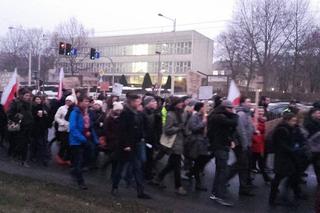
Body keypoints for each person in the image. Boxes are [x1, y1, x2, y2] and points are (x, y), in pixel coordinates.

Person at [111, 94, 151, 199]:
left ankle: (140, 191)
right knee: (120, 167)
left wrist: (142, 136)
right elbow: (122, 131)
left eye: (139, 101)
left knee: (137, 168)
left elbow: (143, 126)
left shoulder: (138, 113)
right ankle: (115, 186)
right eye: (137, 101)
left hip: (136, 144)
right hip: (126, 146)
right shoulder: (125, 114)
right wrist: (126, 145)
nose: (139, 103)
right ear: (132, 102)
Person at [154, 97, 187, 196]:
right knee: (177, 166)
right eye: (180, 102)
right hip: (173, 143)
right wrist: (178, 128)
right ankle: (178, 186)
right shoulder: (171, 115)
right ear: (175, 104)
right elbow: (167, 130)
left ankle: (158, 177)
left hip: (179, 142)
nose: (182, 104)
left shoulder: (181, 114)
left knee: (172, 164)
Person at [208, 100, 238, 207]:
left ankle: (215, 192)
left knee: (220, 171)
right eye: (230, 108)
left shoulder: (219, 115)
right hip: (219, 146)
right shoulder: (218, 117)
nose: (232, 110)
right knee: (221, 171)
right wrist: (234, 115)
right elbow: (234, 122)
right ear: (225, 108)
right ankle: (218, 194)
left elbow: (230, 129)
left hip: (222, 145)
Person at [269, 113, 304, 205]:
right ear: (287, 120)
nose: (294, 122)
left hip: (287, 157)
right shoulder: (282, 129)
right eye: (293, 120)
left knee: (291, 175)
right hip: (283, 157)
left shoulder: (289, 128)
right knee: (279, 177)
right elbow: (282, 144)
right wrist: (293, 150)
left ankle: (284, 196)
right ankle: (273, 199)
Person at [69, 95, 98, 190]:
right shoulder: (75, 112)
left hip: (86, 139)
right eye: (85, 101)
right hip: (77, 141)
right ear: (80, 102)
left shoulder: (88, 113)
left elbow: (90, 126)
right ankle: (80, 182)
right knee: (79, 160)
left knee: (87, 158)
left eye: (88, 101)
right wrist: (82, 138)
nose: (87, 103)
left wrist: (95, 139)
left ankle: (75, 171)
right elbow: (73, 128)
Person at [228, 96, 255, 196]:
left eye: (250, 101)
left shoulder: (247, 114)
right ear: (242, 103)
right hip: (241, 144)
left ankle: (243, 185)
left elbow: (249, 128)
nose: (250, 103)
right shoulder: (241, 114)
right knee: (241, 165)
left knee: (242, 164)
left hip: (246, 143)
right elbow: (241, 131)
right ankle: (241, 186)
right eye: (248, 101)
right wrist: (245, 145)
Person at [7, 88, 34, 167]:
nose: (28, 97)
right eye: (26, 95)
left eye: (29, 95)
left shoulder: (30, 103)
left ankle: (23, 160)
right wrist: (18, 119)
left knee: (25, 144)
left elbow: (32, 113)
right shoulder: (15, 103)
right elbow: (9, 114)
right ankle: (14, 156)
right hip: (18, 127)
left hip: (28, 127)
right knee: (17, 143)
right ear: (22, 96)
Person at [187, 102, 211, 191]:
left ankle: (191, 173)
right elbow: (193, 128)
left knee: (201, 162)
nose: (205, 108)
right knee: (198, 162)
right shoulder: (194, 117)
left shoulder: (204, 116)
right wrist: (203, 123)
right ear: (200, 108)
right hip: (197, 142)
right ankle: (198, 183)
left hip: (203, 142)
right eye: (204, 107)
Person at [250, 108, 271, 183]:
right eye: (259, 112)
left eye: (262, 111)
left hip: (261, 143)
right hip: (256, 144)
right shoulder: (254, 120)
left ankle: (265, 178)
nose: (261, 113)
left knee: (258, 162)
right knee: (258, 162)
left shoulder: (263, 120)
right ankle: (266, 178)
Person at [103, 101, 123, 177]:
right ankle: (110, 170)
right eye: (118, 110)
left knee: (115, 157)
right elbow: (106, 130)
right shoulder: (109, 119)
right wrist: (112, 137)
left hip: (118, 140)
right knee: (114, 156)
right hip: (112, 140)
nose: (119, 112)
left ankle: (112, 171)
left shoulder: (121, 119)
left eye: (120, 110)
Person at [54, 95, 75, 165]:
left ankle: (67, 159)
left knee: (69, 145)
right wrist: (62, 123)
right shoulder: (62, 108)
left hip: (71, 129)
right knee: (64, 144)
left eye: (70, 101)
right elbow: (56, 117)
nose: (68, 102)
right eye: (67, 100)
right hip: (63, 129)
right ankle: (60, 157)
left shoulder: (74, 109)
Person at [142, 96, 158, 181]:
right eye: (154, 101)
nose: (156, 103)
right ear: (148, 103)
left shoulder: (153, 113)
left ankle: (148, 173)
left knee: (150, 157)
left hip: (151, 139)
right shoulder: (144, 113)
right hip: (145, 140)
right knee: (146, 157)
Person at [31, 96, 51, 166]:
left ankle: (43, 157)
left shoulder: (44, 106)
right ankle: (34, 156)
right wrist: (37, 115)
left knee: (44, 142)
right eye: (36, 99)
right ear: (34, 100)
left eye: (39, 99)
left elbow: (48, 117)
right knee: (36, 142)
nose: (38, 100)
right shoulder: (32, 106)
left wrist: (45, 114)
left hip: (43, 127)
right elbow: (31, 117)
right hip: (35, 128)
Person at [304, 107, 320, 184]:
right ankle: (293, 180)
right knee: (303, 165)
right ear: (313, 114)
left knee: (317, 166)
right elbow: (309, 136)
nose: (319, 114)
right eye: (318, 113)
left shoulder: (317, 121)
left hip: (317, 149)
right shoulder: (309, 123)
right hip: (310, 149)